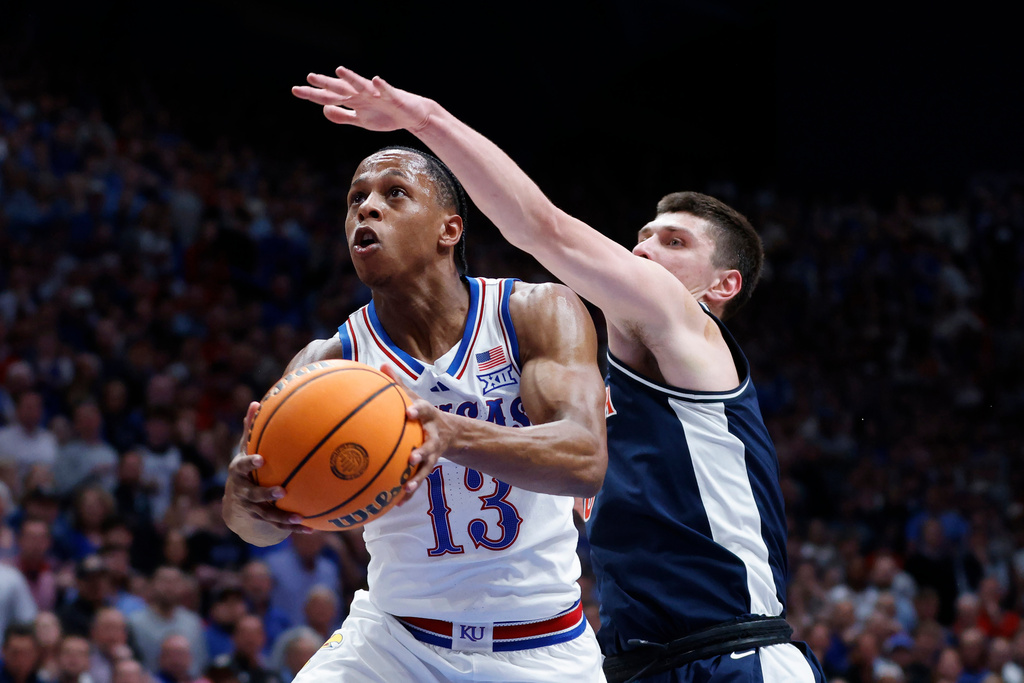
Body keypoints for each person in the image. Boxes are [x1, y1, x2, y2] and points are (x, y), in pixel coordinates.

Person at [292, 66, 828, 682]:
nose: (644, 252)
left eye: (674, 243)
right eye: (642, 237)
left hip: (733, 653)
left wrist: (424, 118)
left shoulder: (692, 337)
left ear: (722, 285)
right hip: (637, 661)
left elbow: (539, 228)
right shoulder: (590, 384)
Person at [221, 145, 608, 681]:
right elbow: (255, 532)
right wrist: (247, 499)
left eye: (393, 194)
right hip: (393, 643)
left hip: (541, 646)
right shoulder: (328, 361)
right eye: (356, 199)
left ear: (448, 231)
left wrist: (453, 433)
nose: (366, 209)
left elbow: (585, 459)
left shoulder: (532, 313)